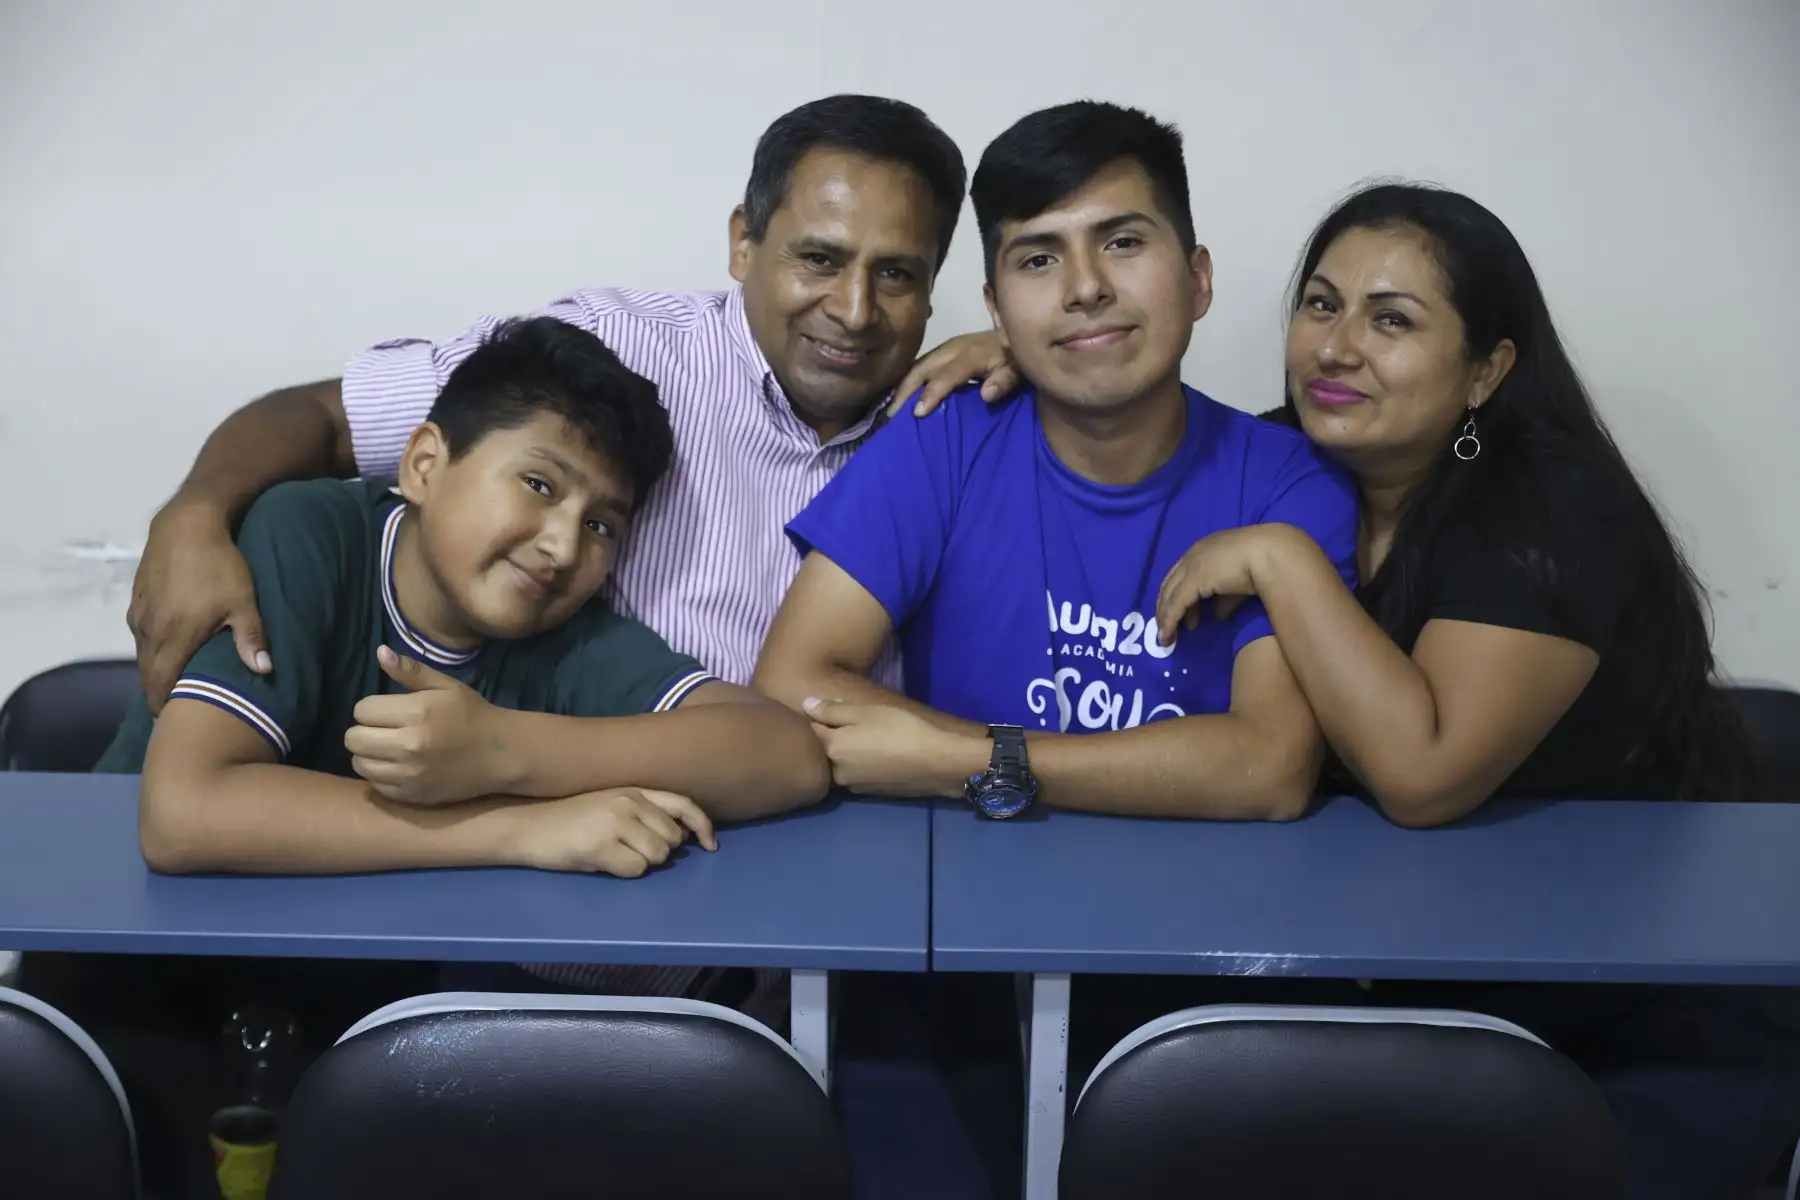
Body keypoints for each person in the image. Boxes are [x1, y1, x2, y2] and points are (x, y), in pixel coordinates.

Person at [918, 180, 1800, 1200]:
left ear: (1487, 370)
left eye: (1392, 321)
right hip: (1385, 979)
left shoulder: (1554, 511)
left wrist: (1284, 563)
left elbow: (1424, 776)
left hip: (1625, 1023)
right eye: (1321, 305)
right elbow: (1133, 437)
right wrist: (1038, 363)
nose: (1336, 349)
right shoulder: (1287, 465)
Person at [124, 93, 969, 703]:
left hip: (862, 850)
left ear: (932, 291)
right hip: (584, 837)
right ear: (743, 243)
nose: (854, 310)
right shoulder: (616, 347)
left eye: (897, 274)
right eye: (819, 260)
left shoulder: (956, 424)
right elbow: (324, 419)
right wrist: (194, 513)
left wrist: (1020, 358)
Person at [753, 100, 1359, 820]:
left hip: (1203, 880)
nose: (1085, 288)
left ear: (1198, 278)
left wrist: (974, 762)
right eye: (1039, 259)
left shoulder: (1290, 481)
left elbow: (1269, 768)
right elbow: (794, 681)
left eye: (1123, 243)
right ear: (998, 313)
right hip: (967, 875)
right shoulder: (941, 436)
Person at [96, 314, 830, 868]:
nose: (563, 546)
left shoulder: (564, 632)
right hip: (114, 940)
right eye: (539, 485)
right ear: (423, 466)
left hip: (334, 984)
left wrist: (502, 748)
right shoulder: (309, 533)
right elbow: (183, 815)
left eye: (601, 525)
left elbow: (787, 754)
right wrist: (518, 828)